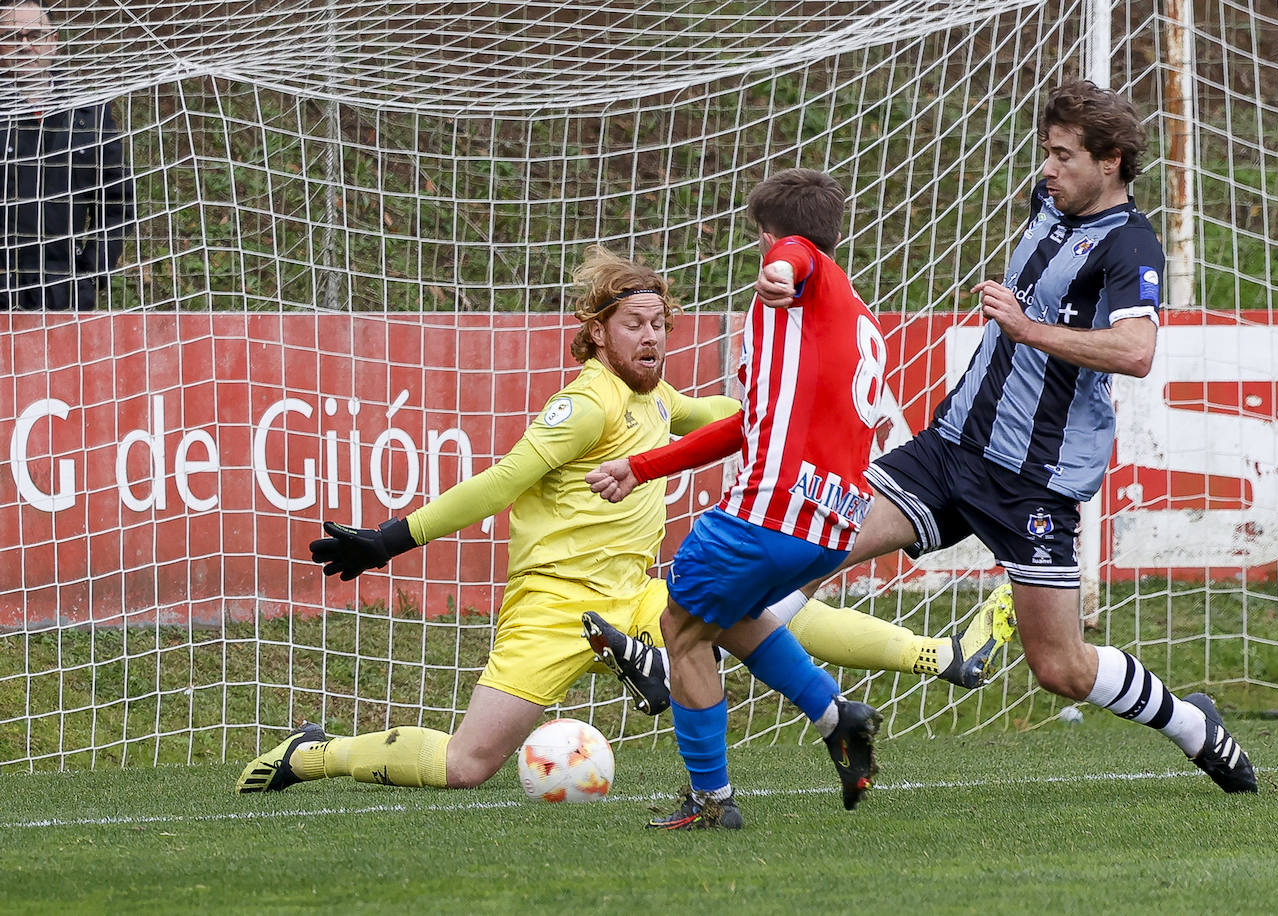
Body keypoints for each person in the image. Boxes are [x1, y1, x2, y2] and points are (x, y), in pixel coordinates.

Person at [602, 82, 1256, 796]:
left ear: (1113, 160)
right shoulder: (1050, 205)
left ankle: (1195, 727)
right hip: (949, 450)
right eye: (1047, 154)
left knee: (1060, 668)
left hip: (1032, 481)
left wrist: (1027, 329)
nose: (1047, 170)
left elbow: (1136, 351)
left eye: (1064, 158)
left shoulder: (1130, 243)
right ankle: (712, 666)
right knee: (815, 543)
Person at [233, 245, 1005, 796]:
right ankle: (317, 755)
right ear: (598, 331)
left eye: (661, 324)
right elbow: (502, 482)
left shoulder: (657, 400)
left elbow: (737, 416)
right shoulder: (583, 405)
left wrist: (827, 403)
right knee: (467, 767)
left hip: (631, 588)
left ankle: (927, 657)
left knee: (747, 615)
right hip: (551, 604)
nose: (651, 337)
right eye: (634, 323)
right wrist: (387, 540)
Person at [591, 167, 896, 831]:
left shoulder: (797, 271)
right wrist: (641, 467)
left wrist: (782, 270)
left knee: (681, 631)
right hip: (831, 524)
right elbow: (745, 424)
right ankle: (836, 717)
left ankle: (712, 801)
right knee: (725, 615)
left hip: (768, 510)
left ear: (766, 234)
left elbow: (793, 256)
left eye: (765, 243)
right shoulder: (853, 320)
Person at [0, 0, 132, 310]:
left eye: (34, 35)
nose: (25, 46)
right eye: (11, 36)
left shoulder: (90, 113)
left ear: (54, 41)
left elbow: (117, 201)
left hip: (65, 292)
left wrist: (91, 271)